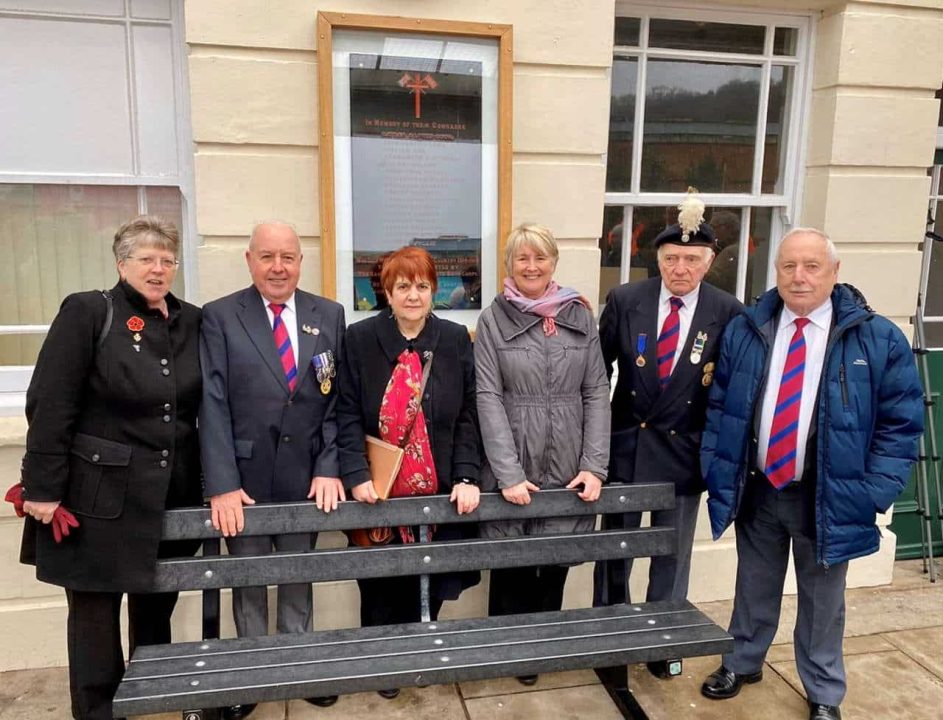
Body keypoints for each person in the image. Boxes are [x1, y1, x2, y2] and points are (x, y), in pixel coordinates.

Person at [699, 228, 924, 720]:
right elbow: (721, 408)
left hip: (828, 494)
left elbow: (901, 422)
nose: (798, 277)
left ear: (835, 272)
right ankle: (742, 661)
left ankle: (823, 689)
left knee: (823, 601)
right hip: (759, 487)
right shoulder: (748, 328)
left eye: (811, 266)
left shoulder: (877, 337)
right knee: (752, 585)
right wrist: (718, 468)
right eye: (788, 266)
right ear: (776, 271)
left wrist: (873, 493)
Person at [15, 216, 202, 720]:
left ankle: (149, 692)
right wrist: (43, 487)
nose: (157, 269)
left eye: (166, 260)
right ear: (122, 264)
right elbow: (50, 403)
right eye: (146, 259)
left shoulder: (192, 320)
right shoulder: (88, 312)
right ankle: (98, 710)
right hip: (97, 498)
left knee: (155, 606)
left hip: (171, 495)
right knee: (96, 615)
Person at [199, 221, 346, 719]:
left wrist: (329, 466)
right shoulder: (220, 316)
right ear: (249, 260)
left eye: (287, 256)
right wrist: (222, 483)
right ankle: (253, 672)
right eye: (267, 256)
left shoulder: (329, 314)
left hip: (307, 477)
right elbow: (212, 403)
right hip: (244, 480)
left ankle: (297, 663)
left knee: (297, 573)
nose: (278, 266)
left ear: (301, 261)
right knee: (249, 579)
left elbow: (334, 400)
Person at [592, 192, 742, 679]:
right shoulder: (625, 299)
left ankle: (663, 642)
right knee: (616, 553)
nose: (681, 268)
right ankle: (611, 642)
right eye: (672, 258)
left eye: (692, 259)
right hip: (628, 447)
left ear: (709, 261)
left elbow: (729, 392)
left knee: (671, 558)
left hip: (684, 452)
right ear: (657, 259)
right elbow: (597, 376)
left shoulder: (728, 311)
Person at [337, 245, 481, 699]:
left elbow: (467, 416)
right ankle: (385, 666)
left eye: (422, 286)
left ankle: (419, 654)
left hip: (438, 491)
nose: (413, 295)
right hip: (379, 492)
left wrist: (465, 476)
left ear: (434, 289)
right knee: (382, 587)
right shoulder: (359, 340)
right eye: (403, 286)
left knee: (432, 580)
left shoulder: (455, 338)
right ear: (388, 291)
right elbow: (344, 414)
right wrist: (356, 474)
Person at [475, 222, 610, 686]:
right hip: (516, 449)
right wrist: (507, 472)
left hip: (570, 455)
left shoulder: (578, 315)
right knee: (512, 556)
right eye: (521, 258)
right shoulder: (494, 318)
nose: (531, 266)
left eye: (540, 257)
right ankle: (508, 648)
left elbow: (596, 391)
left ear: (554, 262)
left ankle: (542, 647)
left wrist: (594, 466)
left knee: (555, 555)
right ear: (509, 265)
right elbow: (488, 396)